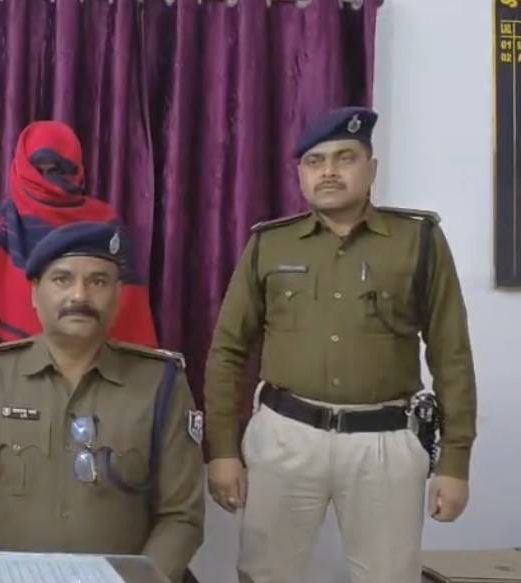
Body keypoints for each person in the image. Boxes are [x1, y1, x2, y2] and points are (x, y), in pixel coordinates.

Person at [203, 107, 477, 583]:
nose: (328, 171)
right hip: (285, 436)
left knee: (390, 576)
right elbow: (228, 350)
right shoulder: (270, 244)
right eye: (315, 161)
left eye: (345, 158)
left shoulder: (418, 240)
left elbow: (451, 354)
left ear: (371, 168)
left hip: (384, 442)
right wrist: (222, 450)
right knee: (265, 574)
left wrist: (455, 461)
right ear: (301, 174)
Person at [0, 222, 204, 582]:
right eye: (62, 279)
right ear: (34, 292)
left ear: (118, 294)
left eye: (98, 281)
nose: (80, 295)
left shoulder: (161, 384)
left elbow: (181, 517)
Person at [0, 120, 158, 452]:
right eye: (42, 169)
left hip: (98, 396)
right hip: (8, 401)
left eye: (61, 169)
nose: (51, 180)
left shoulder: (106, 227)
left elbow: (130, 320)